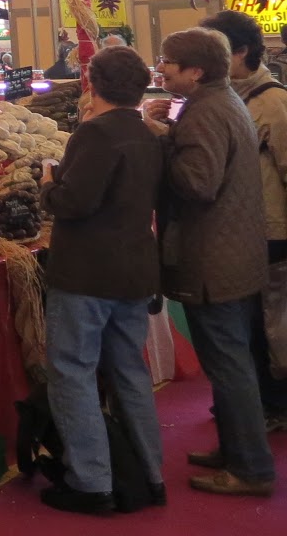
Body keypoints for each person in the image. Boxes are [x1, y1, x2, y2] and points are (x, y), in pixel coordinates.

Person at [145, 28, 274, 497]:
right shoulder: (222, 101)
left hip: (212, 258)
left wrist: (161, 140)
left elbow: (198, 184)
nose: (161, 68)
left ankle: (251, 469)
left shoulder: (206, 112)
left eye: (168, 62)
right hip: (232, 253)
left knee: (229, 365)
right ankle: (238, 450)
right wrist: (171, 131)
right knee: (232, 362)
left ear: (196, 71)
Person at [38, 46, 166, 513]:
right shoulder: (148, 133)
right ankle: (152, 475)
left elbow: (74, 202)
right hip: (135, 269)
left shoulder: (95, 133)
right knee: (130, 372)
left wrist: (48, 184)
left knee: (73, 372)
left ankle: (92, 483)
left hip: (87, 273)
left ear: (92, 84)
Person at [199, 10, 287, 430]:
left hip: (273, 231)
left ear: (241, 52)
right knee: (248, 323)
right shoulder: (224, 98)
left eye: (215, 52)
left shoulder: (273, 101)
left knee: (271, 323)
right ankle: (255, 406)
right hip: (239, 231)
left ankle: (274, 405)